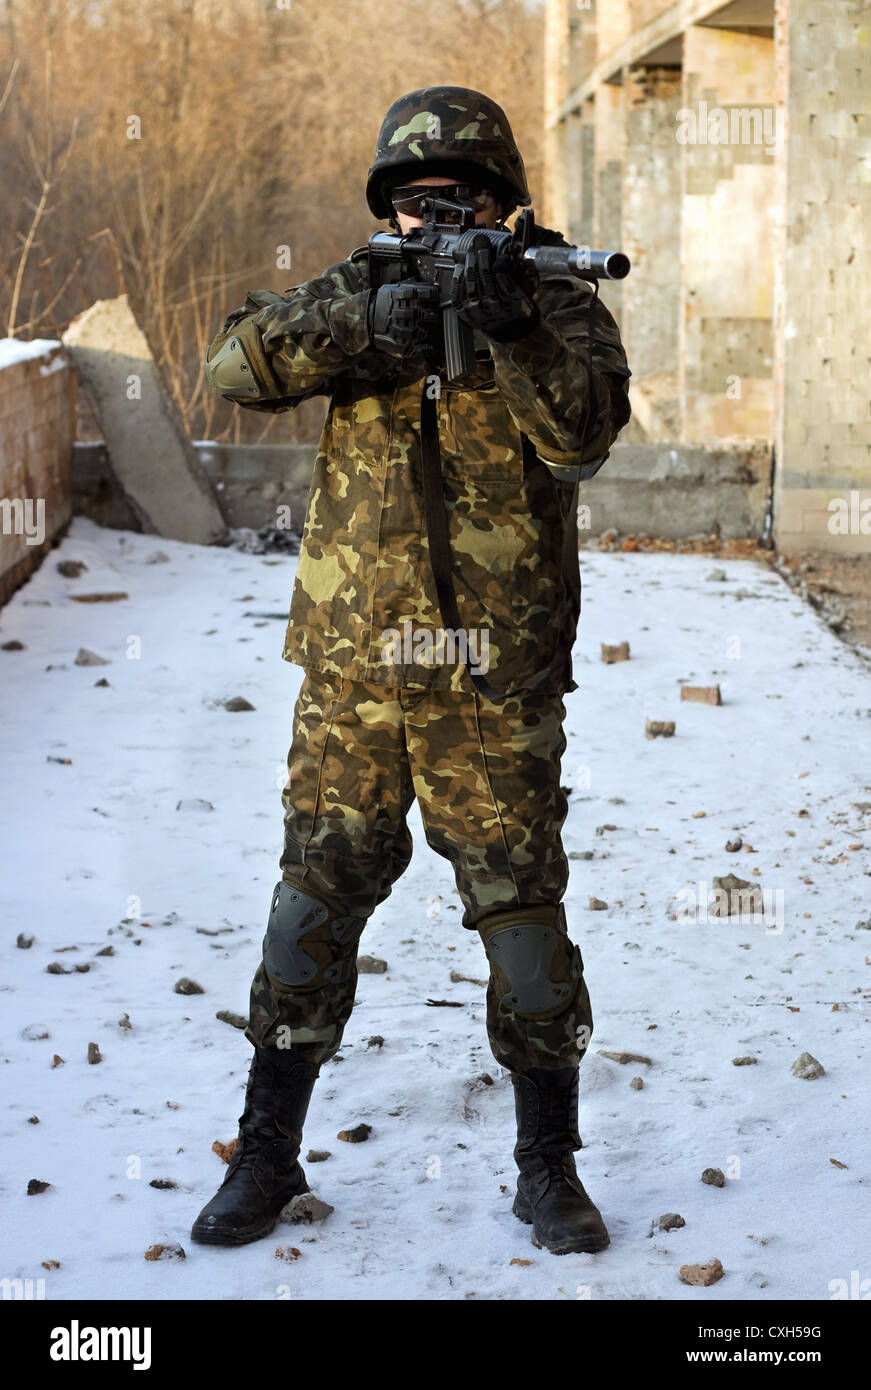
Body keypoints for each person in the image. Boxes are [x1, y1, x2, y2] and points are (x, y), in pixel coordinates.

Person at [191, 85, 631, 1256]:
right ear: (388, 208)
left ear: (507, 202)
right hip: (354, 680)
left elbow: (583, 435)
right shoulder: (354, 289)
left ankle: (549, 1168)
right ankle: (269, 1153)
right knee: (308, 913)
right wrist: (354, 325)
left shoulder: (553, 300)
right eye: (415, 202)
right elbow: (232, 367)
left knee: (525, 930)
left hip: (490, 685)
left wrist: (517, 328)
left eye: (464, 200)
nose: (439, 218)